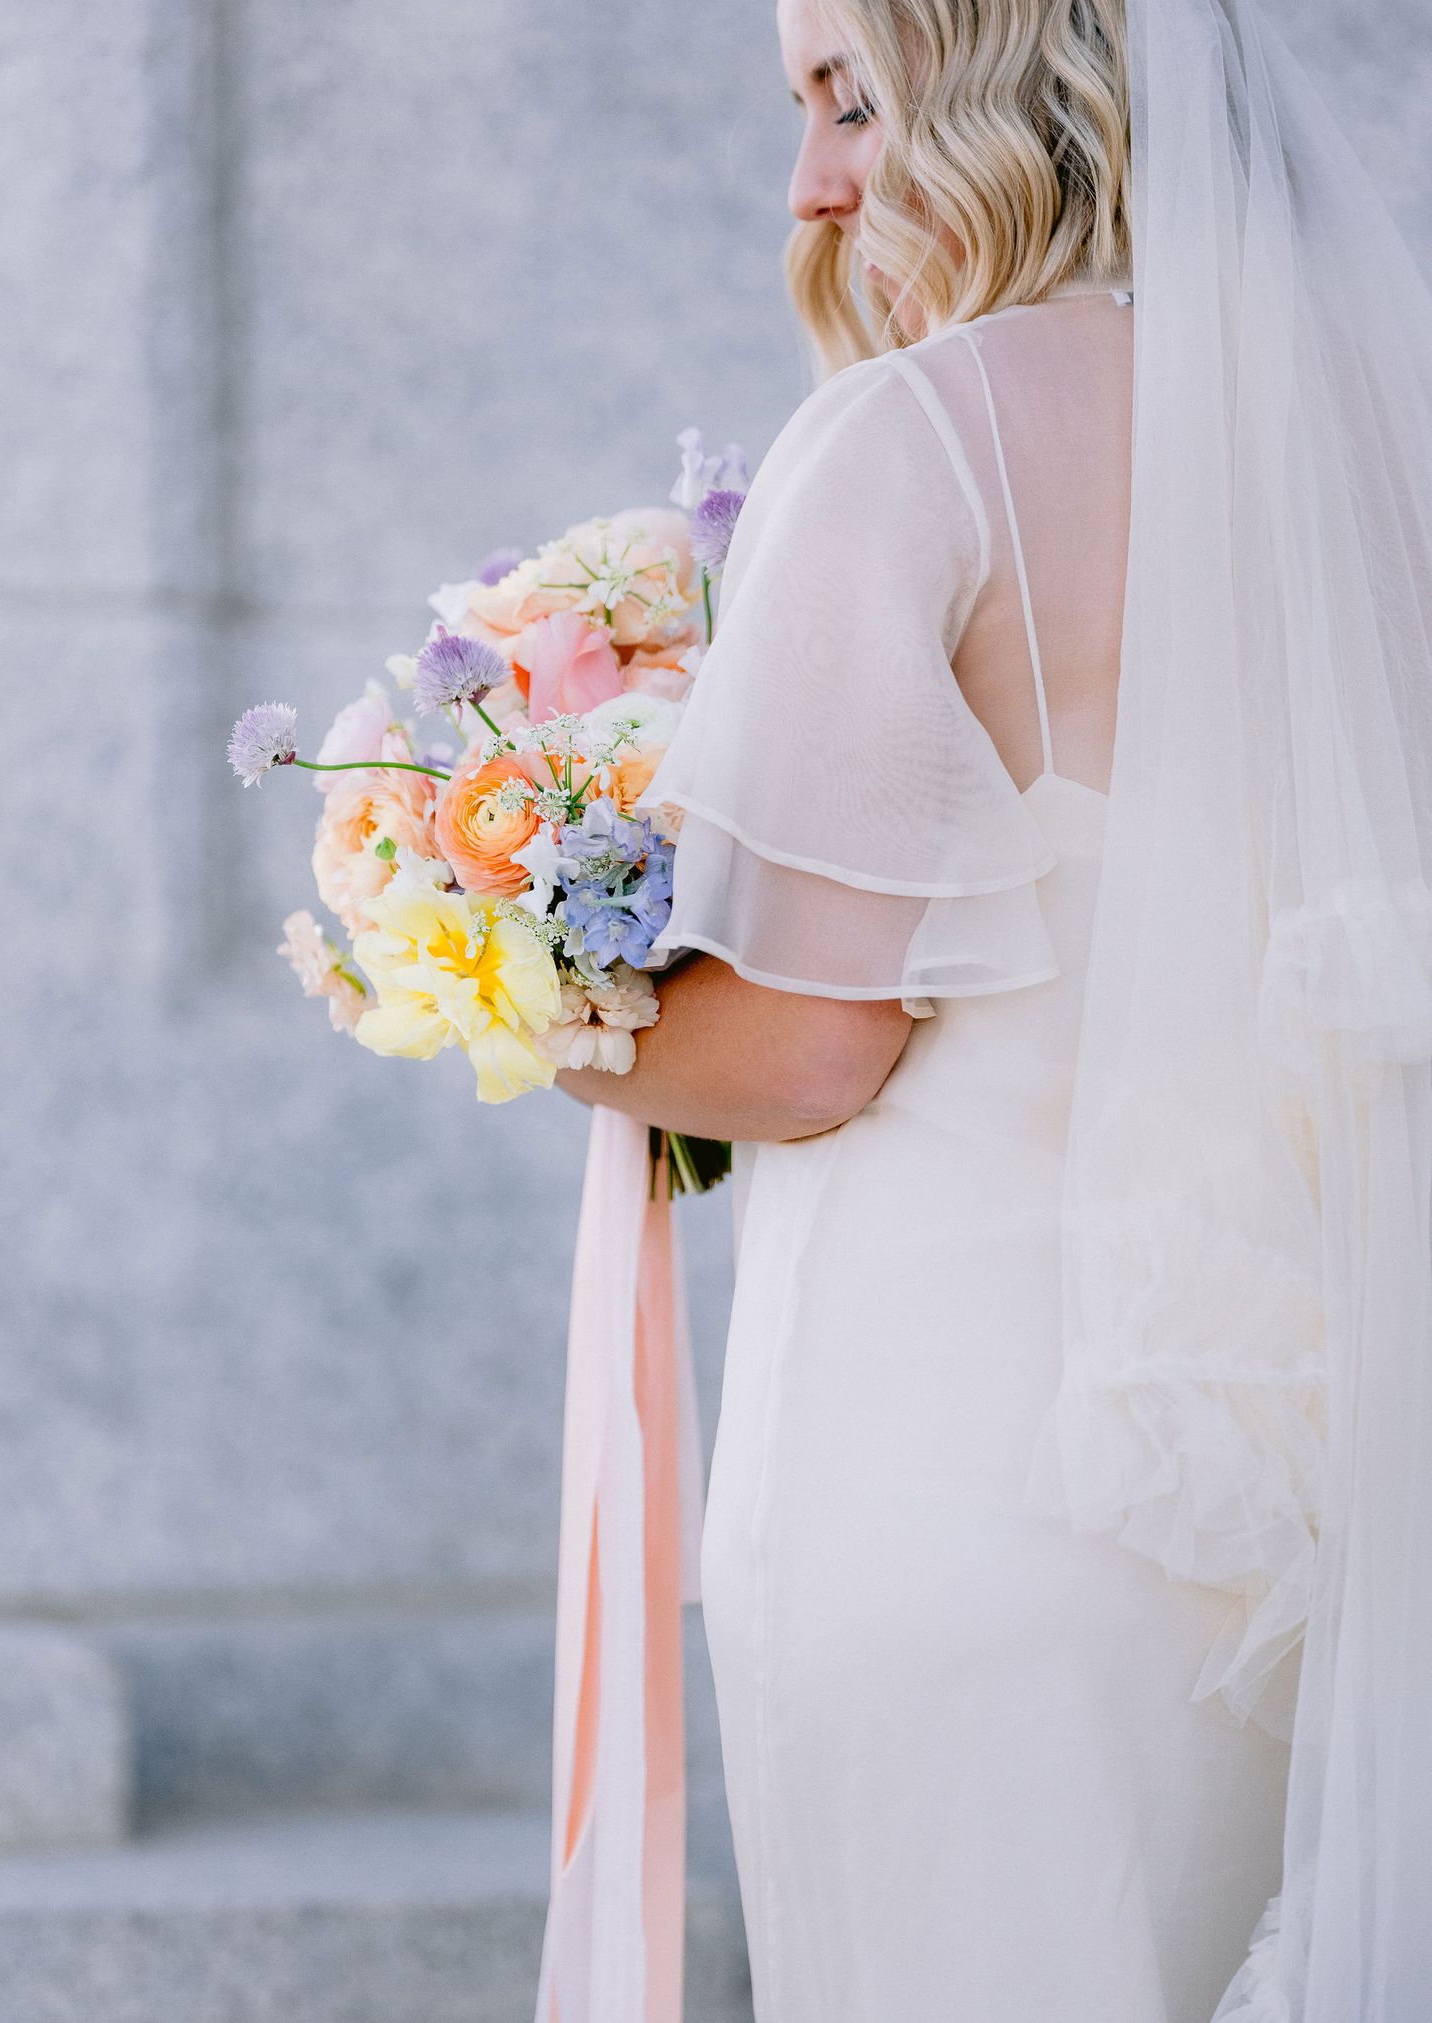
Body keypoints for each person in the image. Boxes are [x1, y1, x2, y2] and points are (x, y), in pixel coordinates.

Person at [553, 1, 1432, 2017]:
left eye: (850, 99)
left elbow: (800, 1045)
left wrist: (501, 984)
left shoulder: (917, 432)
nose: (812, 184)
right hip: (1298, 1500)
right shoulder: (1376, 438)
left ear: (1011, 87)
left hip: (951, 1472)